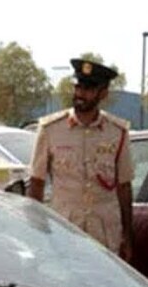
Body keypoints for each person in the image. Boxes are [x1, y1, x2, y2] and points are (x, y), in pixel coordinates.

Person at [28, 58, 136, 261]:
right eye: (78, 87)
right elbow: (36, 183)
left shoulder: (117, 132)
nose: (80, 94)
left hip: (105, 237)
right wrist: (36, 232)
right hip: (65, 233)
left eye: (88, 89)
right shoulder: (50, 129)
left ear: (103, 93)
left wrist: (127, 237)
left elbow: (124, 187)